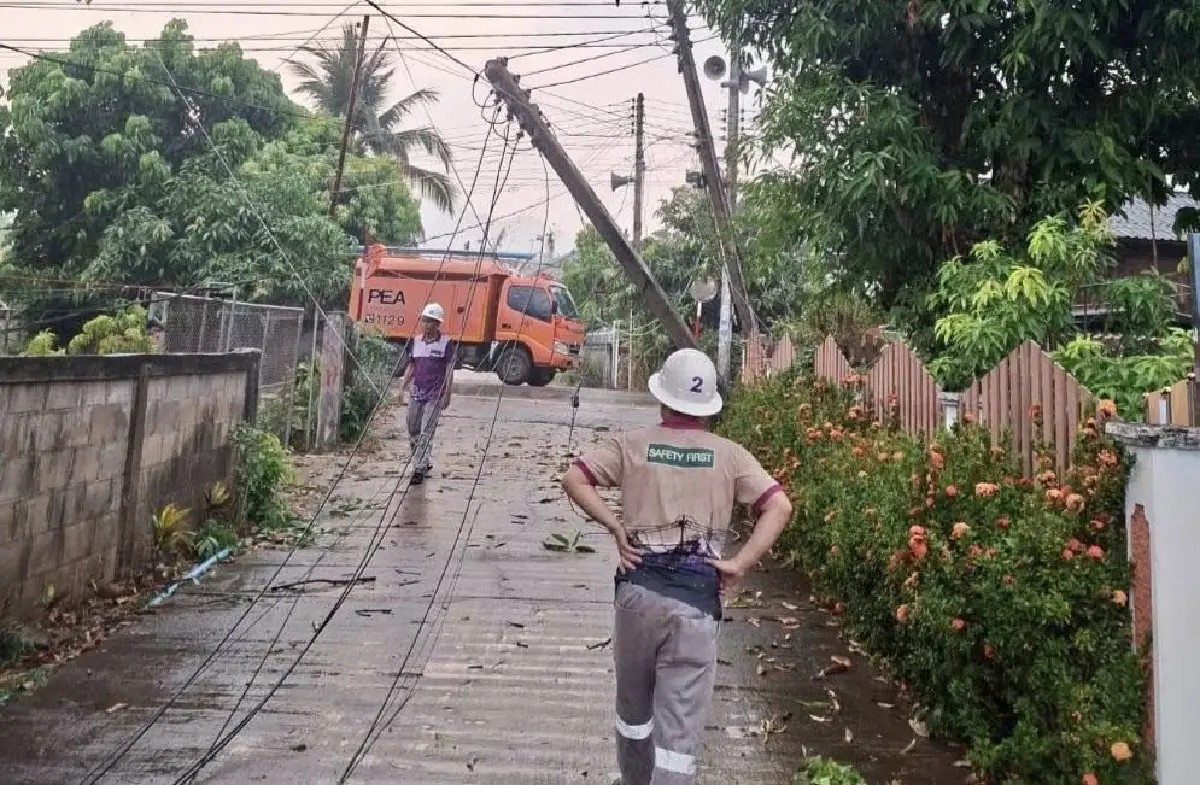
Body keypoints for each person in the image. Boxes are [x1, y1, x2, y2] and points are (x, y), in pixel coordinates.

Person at [561, 348, 792, 785]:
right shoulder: (731, 456)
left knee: (633, 712)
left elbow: (574, 478)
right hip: (696, 606)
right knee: (678, 734)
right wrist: (739, 564)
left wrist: (614, 526)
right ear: (708, 409)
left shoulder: (631, 445)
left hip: (637, 599)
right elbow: (778, 505)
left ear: (662, 399)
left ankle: (632, 780)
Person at [399, 303, 453, 485]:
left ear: (438, 324)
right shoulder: (416, 342)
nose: (425, 325)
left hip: (435, 395)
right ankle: (423, 460)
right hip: (416, 393)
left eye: (430, 322)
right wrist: (402, 388)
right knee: (413, 428)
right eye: (423, 321)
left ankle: (419, 468)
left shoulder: (446, 343)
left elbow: (448, 369)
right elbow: (411, 366)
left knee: (425, 431)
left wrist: (448, 393)